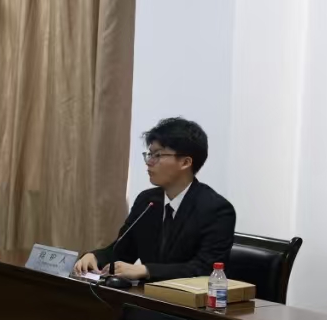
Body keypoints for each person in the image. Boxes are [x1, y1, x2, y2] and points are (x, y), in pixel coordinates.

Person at [74, 117, 235, 282]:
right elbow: (121, 250)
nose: (149, 162)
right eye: (149, 154)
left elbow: (205, 268)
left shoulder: (216, 210)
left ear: (185, 162)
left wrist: (147, 270)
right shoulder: (147, 201)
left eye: (157, 155)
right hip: (144, 294)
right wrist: (95, 257)